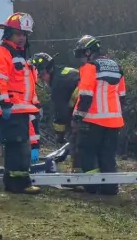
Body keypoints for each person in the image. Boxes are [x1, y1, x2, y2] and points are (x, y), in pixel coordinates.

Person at [0, 12, 42, 195]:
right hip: (12, 108)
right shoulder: (2, 52)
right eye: (18, 34)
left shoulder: (21, 56)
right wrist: (4, 104)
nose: (22, 38)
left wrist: (36, 105)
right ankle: (19, 184)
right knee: (18, 148)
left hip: (21, 109)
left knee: (19, 148)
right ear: (9, 33)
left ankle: (15, 183)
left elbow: (28, 86)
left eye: (24, 34)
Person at [70, 35, 126, 195]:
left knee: (87, 152)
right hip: (114, 121)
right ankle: (110, 188)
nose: (81, 59)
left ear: (88, 52)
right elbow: (122, 96)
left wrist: (77, 118)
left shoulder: (90, 67)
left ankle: (91, 186)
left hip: (94, 120)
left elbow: (85, 96)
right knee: (107, 155)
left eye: (82, 54)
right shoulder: (116, 67)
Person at [29, 51, 81, 171]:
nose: (42, 79)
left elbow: (60, 112)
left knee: (78, 143)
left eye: (41, 75)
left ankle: (79, 174)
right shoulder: (62, 71)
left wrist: (59, 135)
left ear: (48, 70)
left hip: (87, 109)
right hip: (93, 107)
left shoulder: (58, 83)